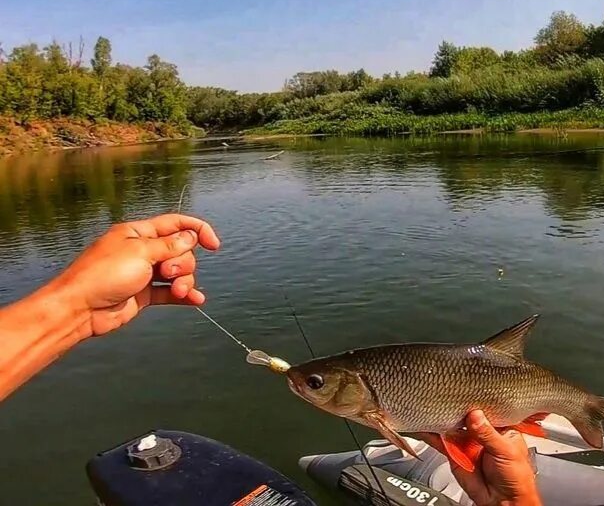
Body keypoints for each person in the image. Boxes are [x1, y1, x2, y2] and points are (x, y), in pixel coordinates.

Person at [0, 213, 542, 506]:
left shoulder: (378, 404)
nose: (304, 385)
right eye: (313, 383)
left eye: (317, 383)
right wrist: (75, 308)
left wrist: (71, 306)